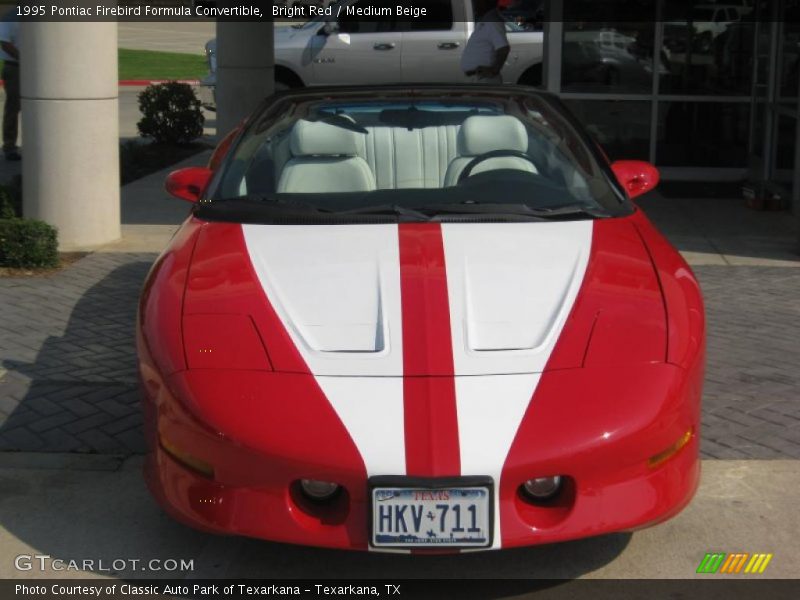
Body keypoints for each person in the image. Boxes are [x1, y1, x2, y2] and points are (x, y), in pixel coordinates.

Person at [461, 0, 511, 84]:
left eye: (477, 1)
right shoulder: (486, 21)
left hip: (484, 79)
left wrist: (494, 70)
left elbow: (504, 49)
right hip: (478, 77)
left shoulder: (492, 22)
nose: (475, 4)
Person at [0, 9, 20, 161]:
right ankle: (9, 146)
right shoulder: (9, 17)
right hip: (15, 67)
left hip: (37, 68)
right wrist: (24, 58)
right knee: (13, 107)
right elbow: (4, 42)